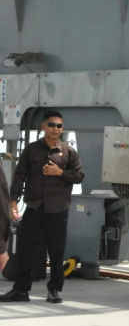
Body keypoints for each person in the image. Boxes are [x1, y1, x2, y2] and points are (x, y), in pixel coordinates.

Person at [2, 110, 84, 304]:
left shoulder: (69, 152)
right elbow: (20, 175)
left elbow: (79, 176)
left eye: (59, 126)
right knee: (25, 247)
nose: (56, 129)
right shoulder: (31, 150)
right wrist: (13, 200)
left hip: (58, 207)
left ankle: (55, 290)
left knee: (56, 250)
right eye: (52, 125)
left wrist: (59, 172)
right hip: (35, 206)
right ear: (43, 126)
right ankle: (21, 290)